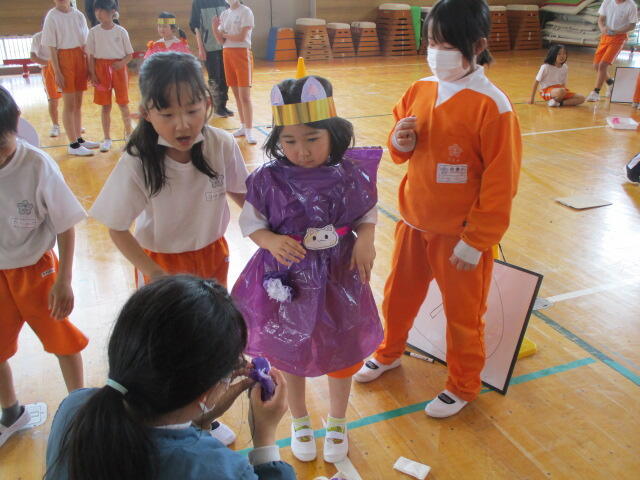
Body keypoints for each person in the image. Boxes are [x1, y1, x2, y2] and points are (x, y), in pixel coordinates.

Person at [354, 0, 522, 419]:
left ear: (477, 45)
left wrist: (477, 241)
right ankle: (389, 351)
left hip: (460, 236)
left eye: (447, 45)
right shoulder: (420, 89)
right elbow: (399, 148)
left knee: (464, 315)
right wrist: (400, 140)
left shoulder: (493, 106)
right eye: (431, 42)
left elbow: (502, 183)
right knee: (397, 298)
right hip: (414, 222)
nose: (436, 52)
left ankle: (463, 384)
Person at [232, 75, 383, 463]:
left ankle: (337, 421)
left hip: (339, 276)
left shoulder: (350, 173)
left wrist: (366, 237)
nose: (301, 151)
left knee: (343, 346)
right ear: (277, 140)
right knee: (292, 347)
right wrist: (269, 240)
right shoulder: (268, 178)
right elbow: (251, 222)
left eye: (312, 139)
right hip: (290, 278)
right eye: (290, 141)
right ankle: (299, 420)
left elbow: (366, 211)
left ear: (333, 133)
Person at [44, 274, 296, 480]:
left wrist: (198, 421)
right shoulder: (214, 468)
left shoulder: (74, 406)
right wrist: (265, 437)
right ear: (205, 394)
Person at [0, 85, 88, 449]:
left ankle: (78, 413)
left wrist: (64, 281)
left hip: (36, 270)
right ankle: (11, 412)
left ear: (15, 126)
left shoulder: (37, 165)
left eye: (1, 146)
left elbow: (65, 225)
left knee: (61, 340)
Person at [42, 0, 100, 156]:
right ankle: (73, 144)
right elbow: (51, 48)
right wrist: (57, 71)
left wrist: (90, 67)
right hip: (63, 59)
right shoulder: (52, 16)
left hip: (79, 57)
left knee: (78, 103)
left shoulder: (78, 15)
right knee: (69, 104)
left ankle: (79, 139)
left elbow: (86, 43)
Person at [86, 0, 133, 152]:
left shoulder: (121, 31)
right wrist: (93, 73)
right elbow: (90, 56)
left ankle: (129, 136)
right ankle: (107, 138)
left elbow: (129, 54)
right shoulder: (93, 32)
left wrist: (121, 63)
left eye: (102, 10)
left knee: (123, 104)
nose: (98, 14)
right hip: (101, 70)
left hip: (118, 69)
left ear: (113, 12)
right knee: (105, 106)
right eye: (96, 10)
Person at [212, 0, 257, 144]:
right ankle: (243, 126)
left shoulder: (246, 11)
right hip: (227, 54)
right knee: (237, 96)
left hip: (242, 53)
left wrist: (225, 34)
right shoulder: (225, 14)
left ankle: (249, 130)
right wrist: (215, 28)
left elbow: (241, 37)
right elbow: (221, 41)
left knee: (245, 96)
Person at [586, 0, 638, 102]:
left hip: (619, 38)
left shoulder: (631, 5)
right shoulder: (607, 2)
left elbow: (632, 25)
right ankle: (611, 83)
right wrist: (602, 28)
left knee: (603, 65)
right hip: (605, 37)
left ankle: (596, 92)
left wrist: (617, 31)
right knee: (596, 65)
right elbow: (601, 20)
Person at [190, 0, 234, 118]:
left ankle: (223, 106)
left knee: (226, 77)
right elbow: (195, 27)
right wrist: (200, 47)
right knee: (215, 78)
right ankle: (216, 107)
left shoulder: (225, 1)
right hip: (209, 47)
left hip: (227, 45)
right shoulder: (198, 2)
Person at [30, 30, 61, 137]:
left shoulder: (60, 34)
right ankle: (55, 125)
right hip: (48, 70)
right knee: (53, 99)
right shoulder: (38, 37)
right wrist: (50, 64)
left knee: (71, 98)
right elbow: (33, 56)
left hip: (64, 68)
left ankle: (75, 124)